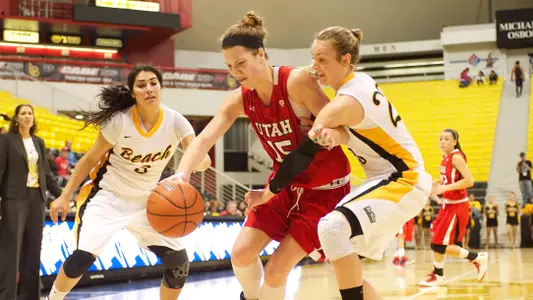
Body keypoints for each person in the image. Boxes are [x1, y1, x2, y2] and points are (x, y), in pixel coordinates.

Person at [173, 12, 351, 300]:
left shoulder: (297, 82)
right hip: (283, 186)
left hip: (323, 192)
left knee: (276, 272)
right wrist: (181, 175)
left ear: (261, 54)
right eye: (229, 66)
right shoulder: (240, 99)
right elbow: (205, 138)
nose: (236, 72)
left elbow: (342, 127)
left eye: (241, 63)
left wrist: (321, 132)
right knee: (241, 255)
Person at [246, 26, 433, 300]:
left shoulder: (342, 103)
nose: (314, 67)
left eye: (322, 60)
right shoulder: (359, 85)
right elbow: (356, 133)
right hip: (392, 178)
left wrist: (268, 192)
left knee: (331, 227)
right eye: (313, 59)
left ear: (345, 59)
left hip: (402, 178)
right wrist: (336, 135)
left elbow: (301, 157)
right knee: (339, 258)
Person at [46, 65, 211, 300]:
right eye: (141, 85)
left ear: (161, 87)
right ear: (133, 93)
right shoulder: (119, 122)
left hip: (148, 200)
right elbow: (89, 159)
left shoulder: (176, 121)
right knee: (81, 259)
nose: (149, 89)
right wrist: (64, 195)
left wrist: (201, 160)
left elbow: (197, 156)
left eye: (153, 83)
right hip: (107, 196)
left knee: (179, 264)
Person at [0, 104, 62, 300]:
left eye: (30, 113)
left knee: (34, 249)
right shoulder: (6, 140)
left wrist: (62, 195)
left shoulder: (39, 142)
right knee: (12, 251)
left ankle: (30, 296)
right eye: (23, 113)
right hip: (14, 199)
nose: (27, 116)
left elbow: (46, 173)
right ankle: (7, 296)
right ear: (16, 118)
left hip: (37, 199)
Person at [419, 129, 488, 287]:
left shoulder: (456, 157)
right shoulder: (445, 157)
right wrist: (437, 183)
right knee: (438, 242)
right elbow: (450, 178)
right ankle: (472, 259)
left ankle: (440, 274)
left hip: (457, 206)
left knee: (438, 243)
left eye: (447, 139)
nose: (442, 142)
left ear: (455, 141)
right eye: (441, 139)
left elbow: (469, 181)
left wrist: (444, 188)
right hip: (447, 205)